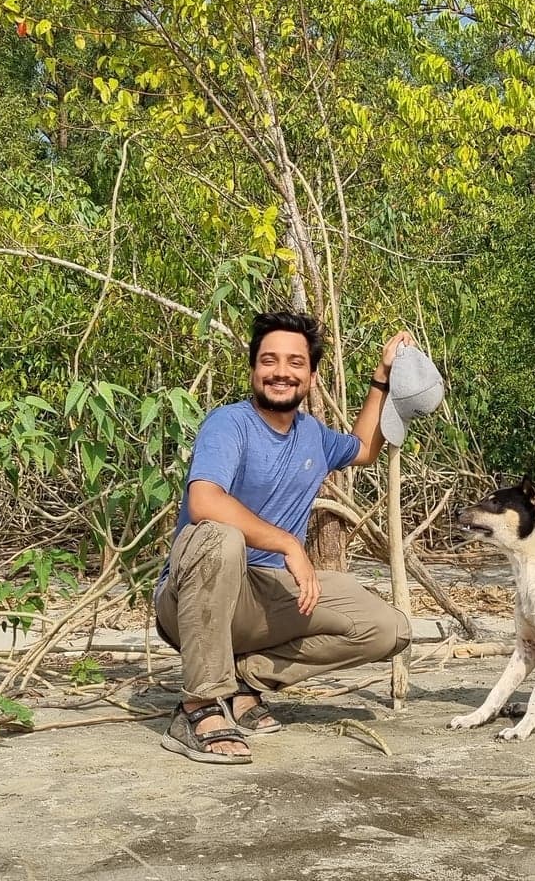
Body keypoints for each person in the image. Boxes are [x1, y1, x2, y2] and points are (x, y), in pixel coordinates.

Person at [154, 312, 414, 764]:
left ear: (310, 376)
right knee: (221, 537)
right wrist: (289, 544)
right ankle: (199, 705)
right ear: (254, 369)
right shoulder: (228, 423)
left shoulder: (312, 434)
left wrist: (381, 377)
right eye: (269, 360)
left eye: (295, 363)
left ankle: (243, 682)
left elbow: (365, 449)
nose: (281, 372)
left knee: (388, 629)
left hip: (264, 599)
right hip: (191, 599)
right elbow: (204, 502)